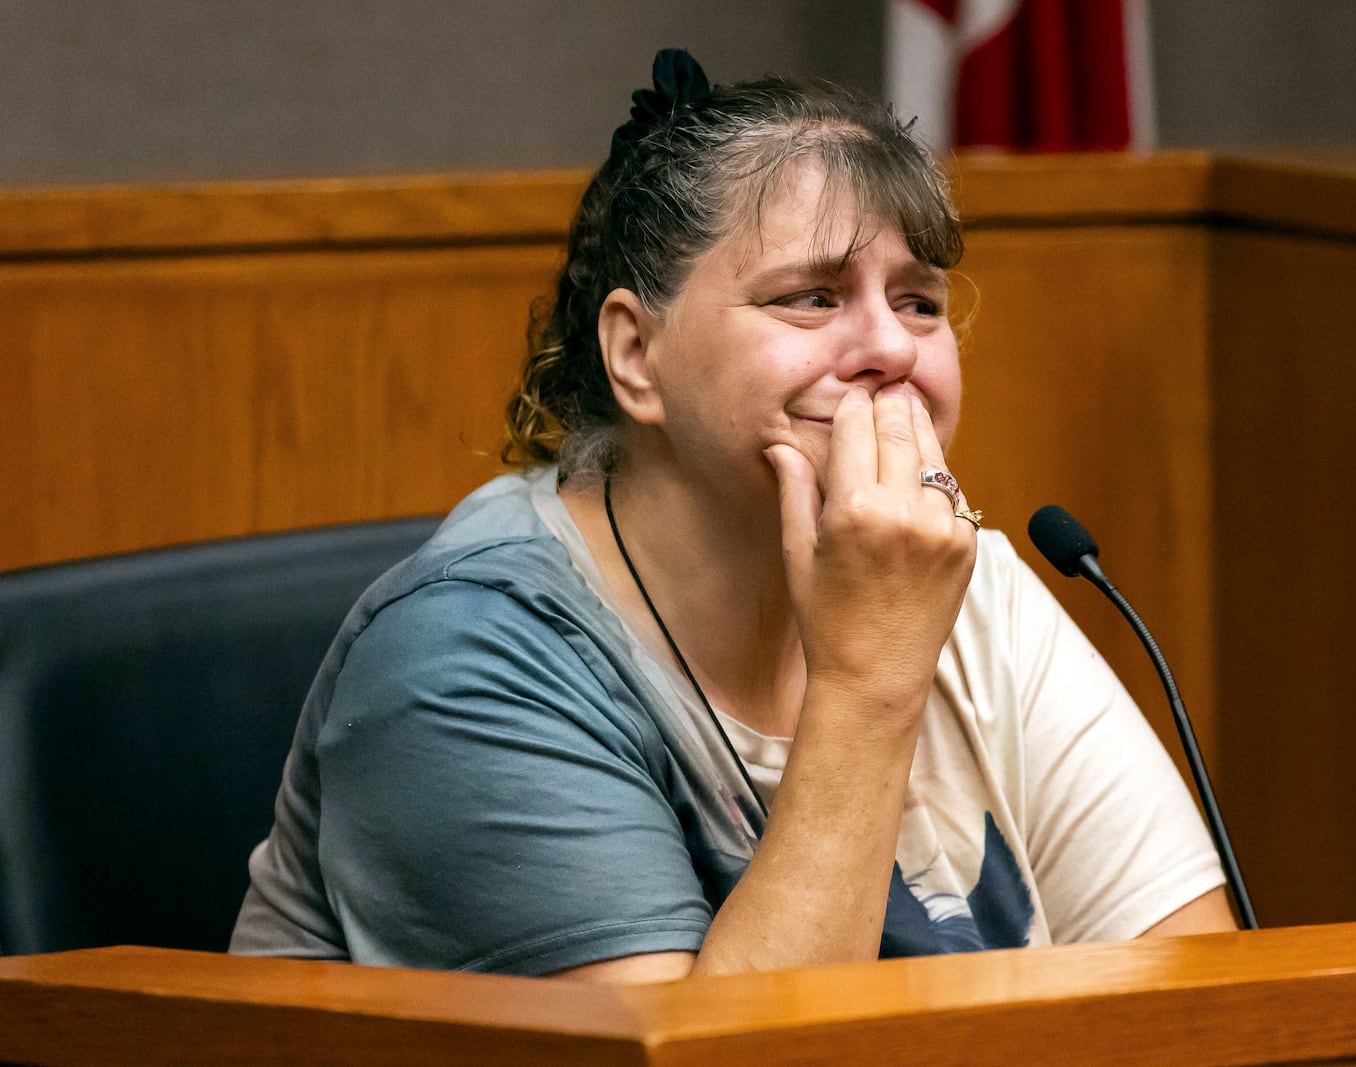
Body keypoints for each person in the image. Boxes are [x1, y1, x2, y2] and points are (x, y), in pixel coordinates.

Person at [231, 49, 1232, 983]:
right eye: (809, 297)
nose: (890, 345)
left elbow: (1192, 1008)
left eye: (921, 301)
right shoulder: (463, 659)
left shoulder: (967, 581)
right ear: (635, 355)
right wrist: (869, 676)